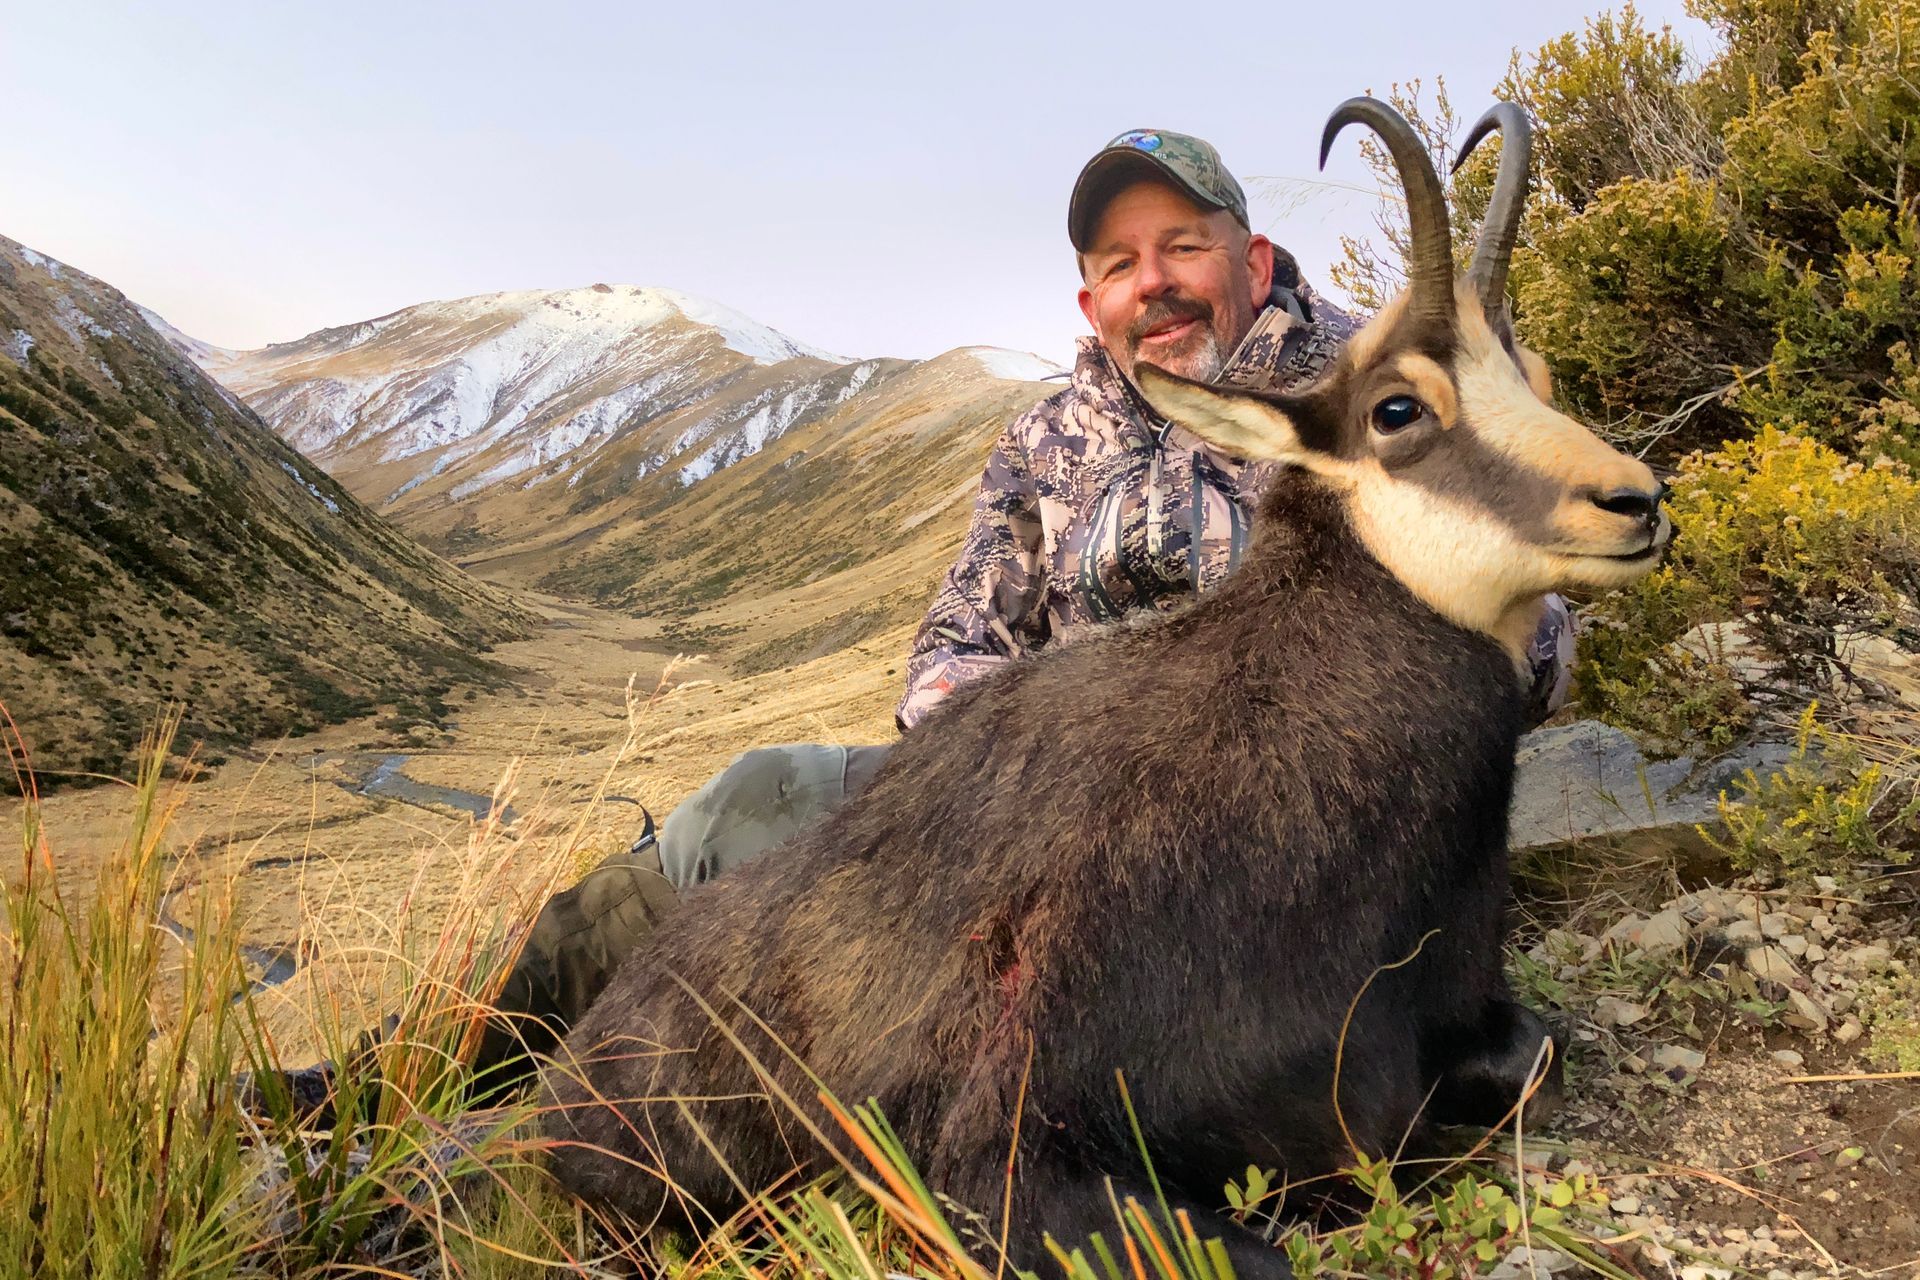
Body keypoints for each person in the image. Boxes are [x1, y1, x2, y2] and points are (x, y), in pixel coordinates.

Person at [259, 128, 1573, 1115]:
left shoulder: (1382, 389)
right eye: (1119, 265)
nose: (1153, 284)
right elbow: (960, 639)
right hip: (1040, 793)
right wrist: (964, 743)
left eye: (1183, 246)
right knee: (745, 811)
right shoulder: (1052, 437)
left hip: (1275, 824)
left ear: (1254, 256)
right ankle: (407, 1082)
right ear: (1089, 302)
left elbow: (1527, 607)